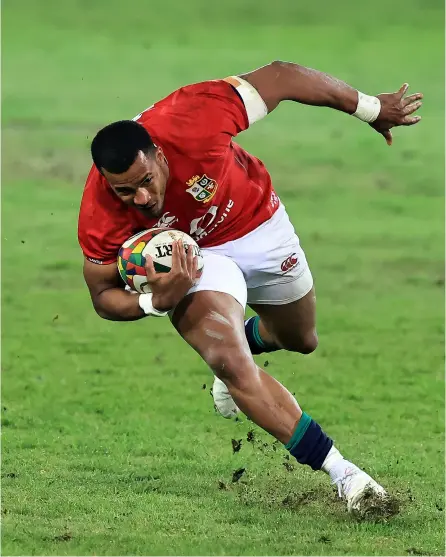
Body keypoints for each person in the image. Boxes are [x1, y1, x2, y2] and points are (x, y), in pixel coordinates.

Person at [78, 60, 422, 516]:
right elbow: (101, 295)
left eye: (146, 182)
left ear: (160, 156)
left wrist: (371, 108)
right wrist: (154, 301)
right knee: (229, 361)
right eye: (126, 192)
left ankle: (248, 342)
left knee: (300, 339)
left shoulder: (193, 118)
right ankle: (347, 476)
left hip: (255, 223)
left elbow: (283, 77)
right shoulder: (99, 211)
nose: (142, 198)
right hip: (189, 259)